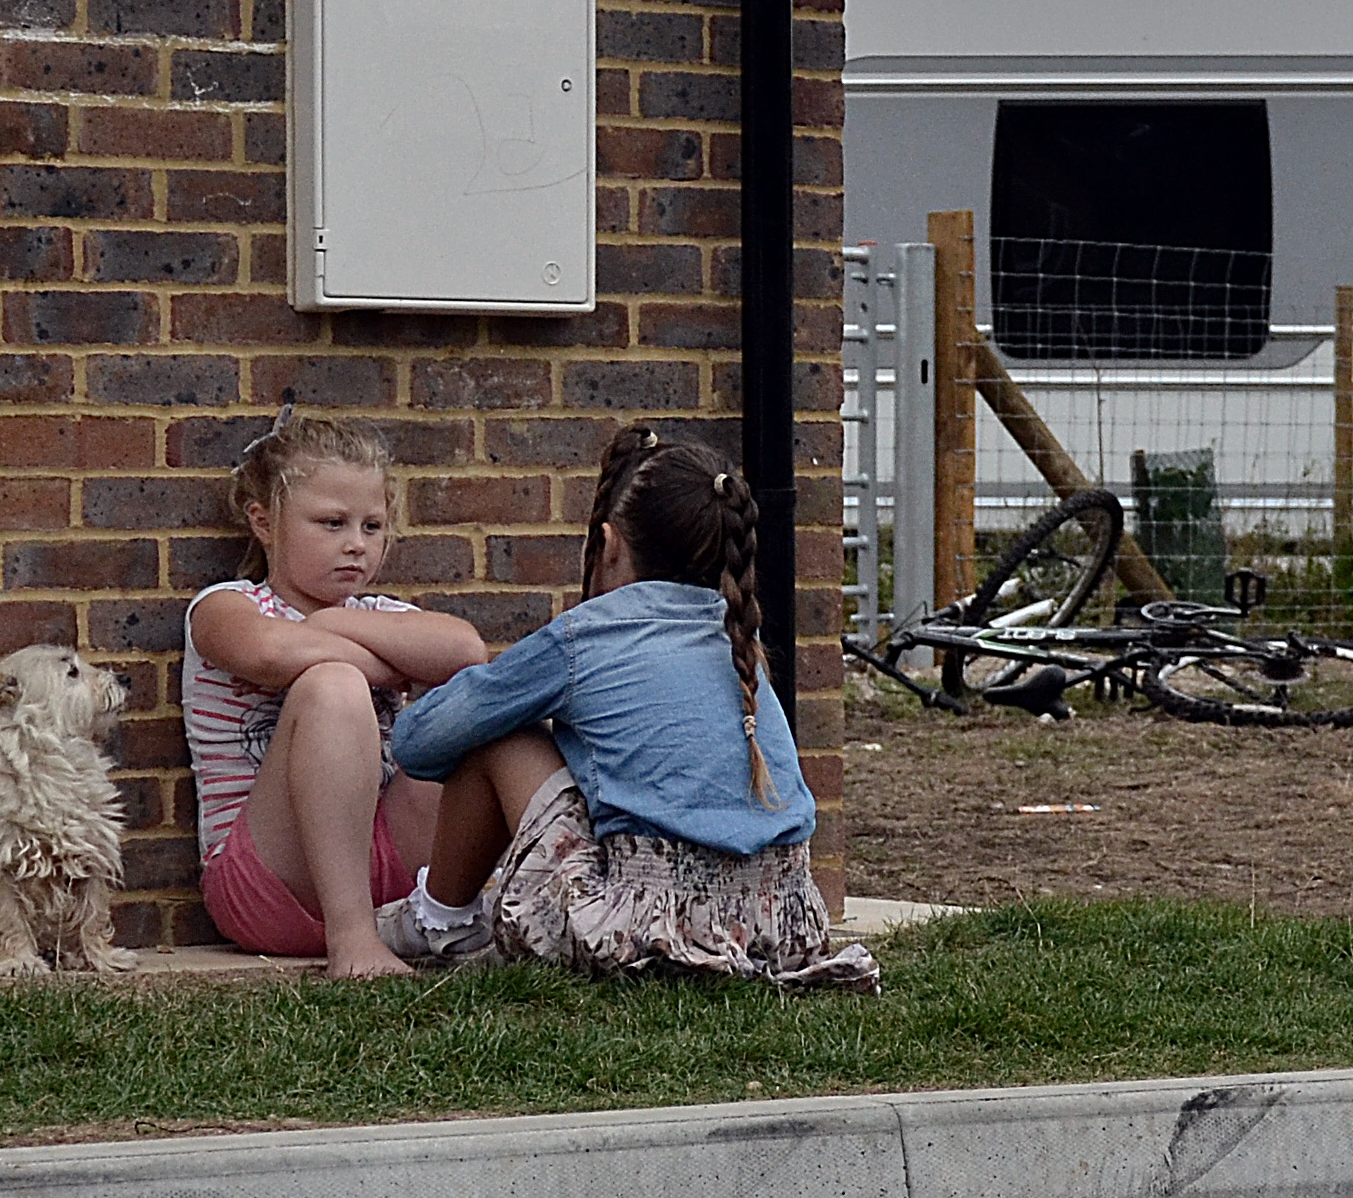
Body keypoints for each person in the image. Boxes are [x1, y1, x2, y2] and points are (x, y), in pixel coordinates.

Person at [373, 429, 877, 989]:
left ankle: (441, 919)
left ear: (609, 545)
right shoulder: (738, 639)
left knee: (503, 737)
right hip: (781, 930)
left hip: (642, 932)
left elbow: (419, 744)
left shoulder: (585, 637)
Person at [181, 415, 487, 977]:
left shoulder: (381, 614)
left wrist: (326, 629)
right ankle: (353, 945)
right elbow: (268, 654)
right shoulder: (228, 605)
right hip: (269, 886)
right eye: (331, 523)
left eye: (373, 527)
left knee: (485, 718)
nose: (356, 545)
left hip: (390, 874)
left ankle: (482, 909)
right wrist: (388, 666)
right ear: (265, 523)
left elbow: (466, 652)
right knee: (332, 685)